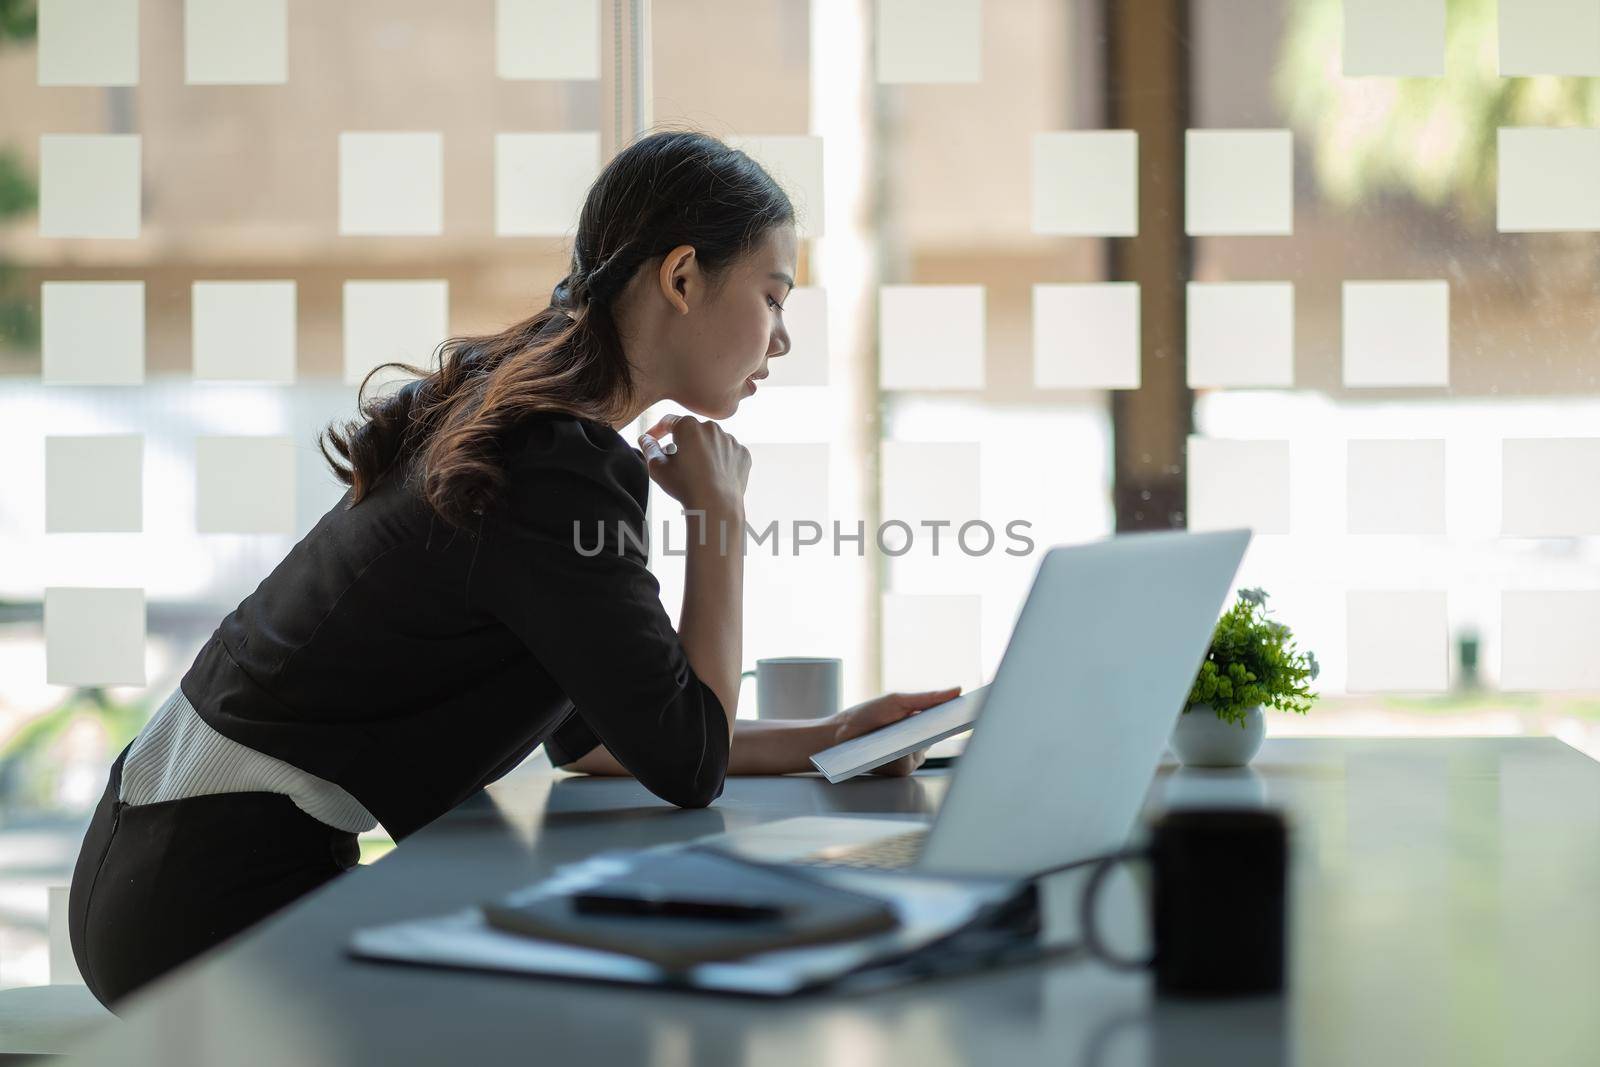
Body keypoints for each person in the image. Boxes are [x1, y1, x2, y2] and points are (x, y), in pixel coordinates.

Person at [67, 128, 961, 1013]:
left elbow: (596, 739)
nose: (782, 340)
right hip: (203, 899)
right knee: (605, 1013)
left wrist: (834, 735)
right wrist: (717, 517)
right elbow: (689, 761)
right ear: (682, 277)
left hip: (170, 861)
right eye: (774, 297)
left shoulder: (527, 422)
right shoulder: (557, 463)